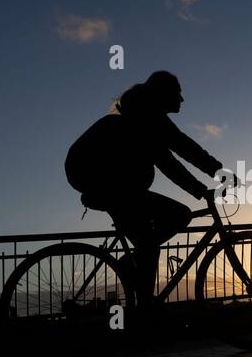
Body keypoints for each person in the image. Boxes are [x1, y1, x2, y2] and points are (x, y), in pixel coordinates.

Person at [64, 70, 229, 300]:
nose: (182, 99)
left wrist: (214, 172)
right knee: (169, 224)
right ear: (163, 94)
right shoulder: (145, 121)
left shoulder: (145, 116)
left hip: (111, 185)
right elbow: (169, 162)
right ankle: (142, 303)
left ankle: (134, 278)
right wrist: (203, 186)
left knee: (151, 240)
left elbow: (182, 146)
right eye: (178, 93)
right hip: (109, 185)